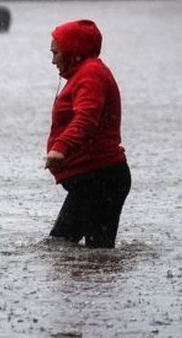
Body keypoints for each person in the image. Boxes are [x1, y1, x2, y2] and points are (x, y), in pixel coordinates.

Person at [44, 19, 131, 248]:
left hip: (101, 178)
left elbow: (87, 117)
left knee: (74, 250)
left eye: (56, 53)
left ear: (72, 49)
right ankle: (95, 284)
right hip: (95, 179)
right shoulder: (85, 73)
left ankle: (101, 284)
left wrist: (60, 147)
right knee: (66, 249)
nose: (52, 60)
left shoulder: (91, 74)